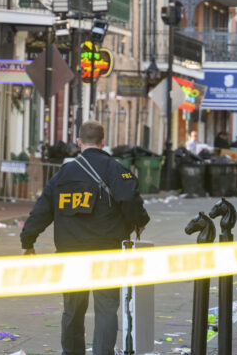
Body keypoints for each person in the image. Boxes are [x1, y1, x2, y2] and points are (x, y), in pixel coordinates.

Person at [20, 121, 150, 355]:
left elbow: (42, 210)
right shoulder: (115, 169)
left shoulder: (63, 175)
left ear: (79, 142)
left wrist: (27, 241)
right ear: (103, 141)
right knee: (107, 307)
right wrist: (139, 222)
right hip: (106, 249)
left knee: (72, 308)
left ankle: (71, 352)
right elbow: (130, 200)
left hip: (71, 251)